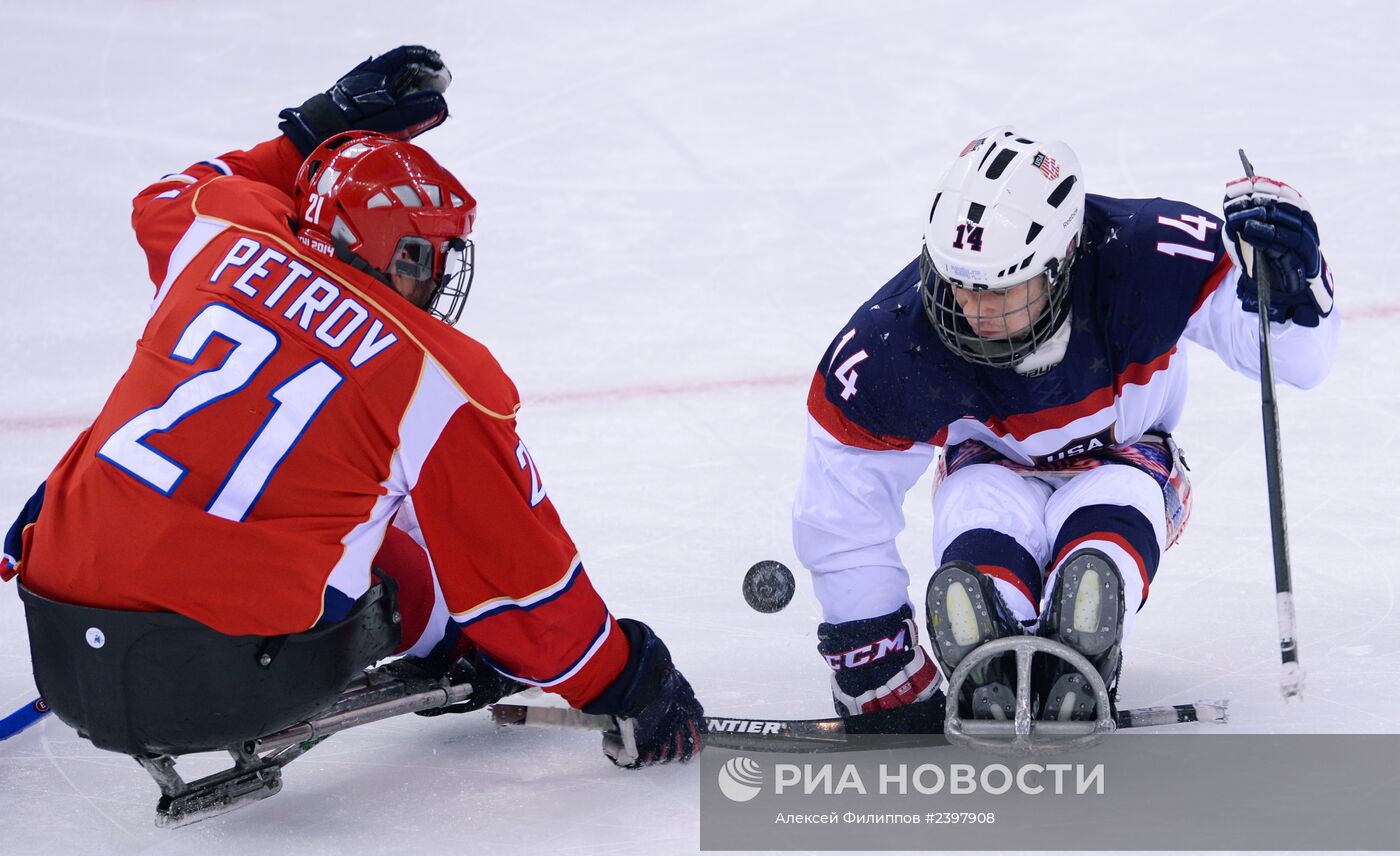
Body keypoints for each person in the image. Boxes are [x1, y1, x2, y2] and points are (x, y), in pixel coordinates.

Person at [2, 46, 703, 769]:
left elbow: (178, 188)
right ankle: (452, 645)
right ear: (368, 244)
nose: (432, 278)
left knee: (164, 446)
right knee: (409, 518)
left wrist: (315, 129)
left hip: (56, 630)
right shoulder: (436, 376)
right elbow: (522, 585)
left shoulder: (221, 230)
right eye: (417, 255)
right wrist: (625, 680)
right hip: (214, 681)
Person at [793, 126, 1337, 726]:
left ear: (1063, 259)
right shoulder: (891, 342)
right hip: (989, 467)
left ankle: (1078, 654)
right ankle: (992, 653)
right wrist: (873, 657)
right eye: (958, 283)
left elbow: (1299, 364)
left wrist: (1295, 291)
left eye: (1001, 288)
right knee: (976, 503)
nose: (971, 310)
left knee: (1118, 504)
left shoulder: (1151, 257)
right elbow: (842, 505)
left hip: (1127, 458)